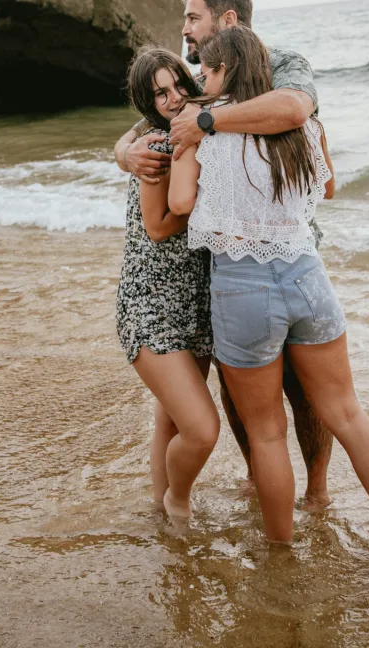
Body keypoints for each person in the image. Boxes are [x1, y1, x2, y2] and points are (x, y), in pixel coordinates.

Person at [168, 25, 369, 549]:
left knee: (266, 434)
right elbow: (325, 187)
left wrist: (173, 152)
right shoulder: (307, 129)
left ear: (225, 72)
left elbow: (181, 206)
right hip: (307, 277)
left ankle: (281, 552)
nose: (201, 83)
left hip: (241, 287)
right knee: (348, 413)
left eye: (207, 73)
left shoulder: (205, 135)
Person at [114, 0, 333, 509]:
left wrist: (206, 122)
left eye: (193, 18)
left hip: (285, 254)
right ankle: (256, 484)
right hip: (219, 272)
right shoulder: (197, 83)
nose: (185, 29)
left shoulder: (282, 64)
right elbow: (154, 118)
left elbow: (295, 111)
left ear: (226, 20)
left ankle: (317, 491)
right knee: (241, 398)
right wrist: (125, 151)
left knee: (305, 393)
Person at [115, 47, 219, 520]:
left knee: (170, 419)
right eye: (161, 94)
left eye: (178, 84)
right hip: (151, 301)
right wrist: (213, 209)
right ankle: (178, 501)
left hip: (194, 298)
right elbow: (157, 226)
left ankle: (161, 513)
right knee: (199, 428)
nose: (175, 98)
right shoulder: (156, 146)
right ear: (147, 102)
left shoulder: (196, 124)